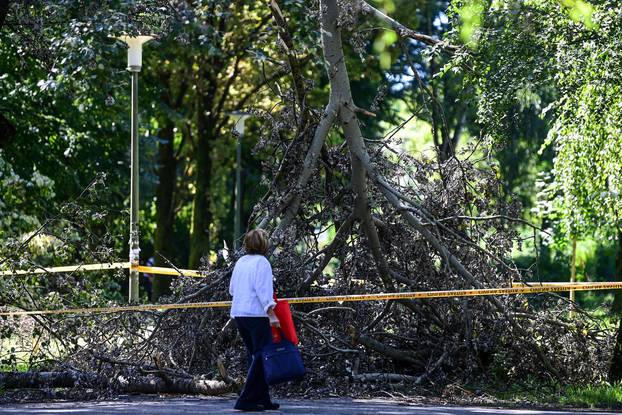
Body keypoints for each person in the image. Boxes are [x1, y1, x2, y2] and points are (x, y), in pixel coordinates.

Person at [229, 229, 281, 412]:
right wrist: (272, 315)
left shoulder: (241, 262)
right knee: (262, 356)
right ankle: (246, 400)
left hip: (239, 314)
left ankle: (262, 399)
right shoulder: (263, 263)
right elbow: (263, 291)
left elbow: (232, 289)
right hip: (256, 315)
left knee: (256, 357)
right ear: (263, 244)